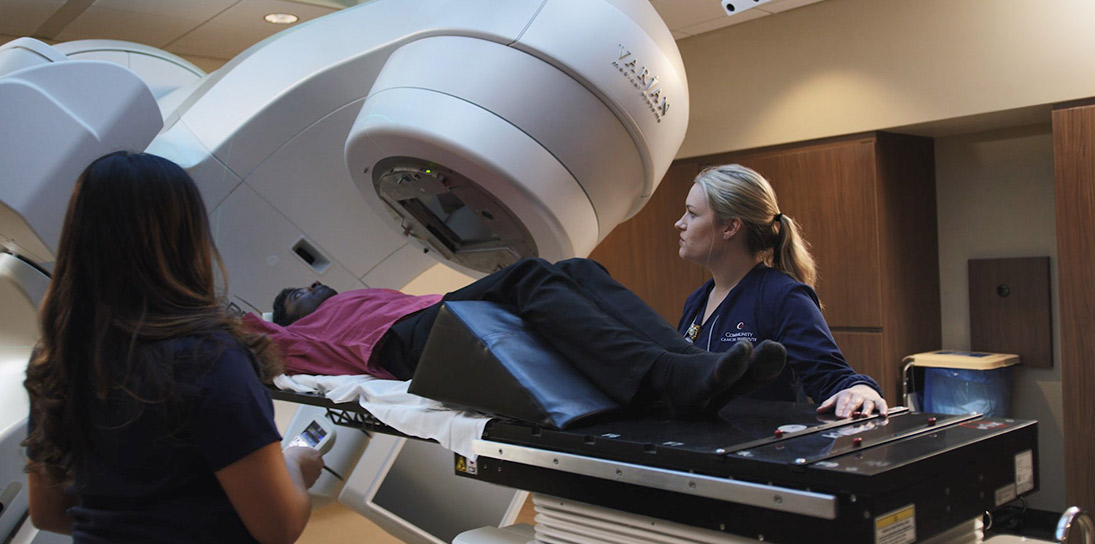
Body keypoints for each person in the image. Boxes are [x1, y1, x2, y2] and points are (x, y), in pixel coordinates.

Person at [22, 151, 324, 543]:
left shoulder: (53, 359)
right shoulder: (209, 357)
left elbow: (47, 514)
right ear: (187, 240)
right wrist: (296, 464)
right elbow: (278, 528)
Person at [245, 257, 788, 417]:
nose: (310, 284)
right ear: (286, 319)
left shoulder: (360, 293)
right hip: (404, 342)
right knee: (527, 273)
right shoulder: (296, 338)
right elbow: (239, 329)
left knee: (575, 267)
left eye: (312, 279)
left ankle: (696, 365)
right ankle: (670, 374)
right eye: (295, 293)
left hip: (432, 312)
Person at [674, 164, 888, 419]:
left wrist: (862, 390)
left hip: (764, 452)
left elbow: (831, 377)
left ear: (730, 227)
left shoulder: (782, 297)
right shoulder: (697, 301)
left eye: (692, 214)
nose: (680, 223)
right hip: (702, 450)